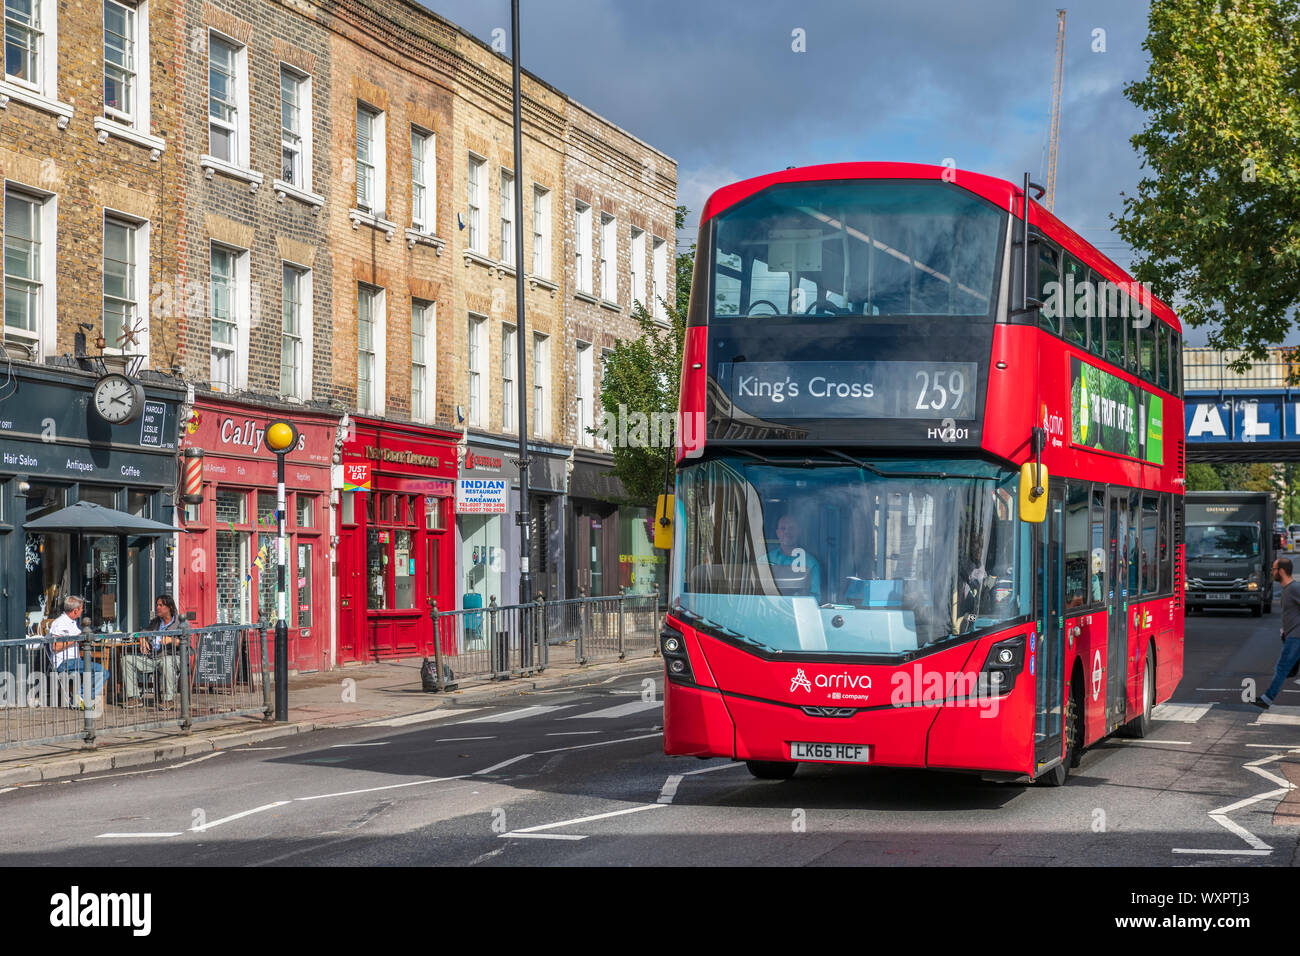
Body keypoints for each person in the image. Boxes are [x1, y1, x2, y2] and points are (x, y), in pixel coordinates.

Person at [122, 595, 188, 708]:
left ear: (169, 607)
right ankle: (134, 698)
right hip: (153, 658)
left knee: (167, 662)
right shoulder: (156, 622)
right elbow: (140, 632)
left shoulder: (180, 623)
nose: (158, 607)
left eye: (161, 605)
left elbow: (186, 642)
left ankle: (169, 700)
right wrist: (141, 638)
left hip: (173, 658)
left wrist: (171, 640)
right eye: (157, 605)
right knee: (126, 659)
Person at [1253, 557, 1300, 709]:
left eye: (1274, 569)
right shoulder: (1288, 590)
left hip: (1296, 636)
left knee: (1282, 667)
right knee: (1286, 669)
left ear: (1282, 571)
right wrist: (1285, 630)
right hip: (1291, 634)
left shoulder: (1294, 588)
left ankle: (1267, 699)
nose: (1272, 572)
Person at [49, 595, 107, 709]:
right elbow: (55, 646)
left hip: (75, 661)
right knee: (102, 671)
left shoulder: (72, 622)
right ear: (75, 611)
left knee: (95, 670)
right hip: (64, 662)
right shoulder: (60, 623)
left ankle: (80, 697)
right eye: (81, 609)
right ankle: (82, 697)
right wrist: (77, 638)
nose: (82, 612)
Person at [763, 513, 823, 603]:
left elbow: (814, 598)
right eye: (783, 528)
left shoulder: (811, 563)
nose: (787, 532)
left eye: (791, 528)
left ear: (799, 531)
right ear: (777, 533)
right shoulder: (764, 560)